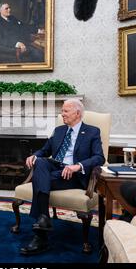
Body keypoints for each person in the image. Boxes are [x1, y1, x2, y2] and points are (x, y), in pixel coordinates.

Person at [20, 99, 105, 255]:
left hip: (73, 174)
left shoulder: (92, 131)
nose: (62, 114)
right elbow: (44, 151)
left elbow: (99, 158)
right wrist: (34, 155)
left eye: (65, 111)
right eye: (62, 111)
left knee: (40, 178)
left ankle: (41, 236)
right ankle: (44, 218)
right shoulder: (59, 130)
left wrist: (77, 166)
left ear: (77, 113)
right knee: (40, 163)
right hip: (55, 168)